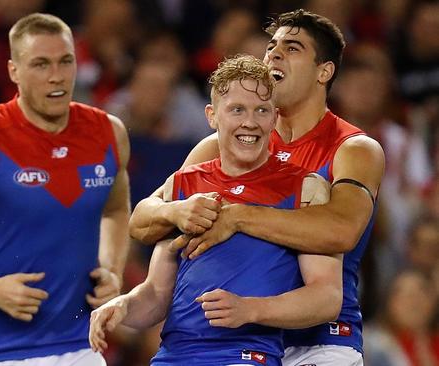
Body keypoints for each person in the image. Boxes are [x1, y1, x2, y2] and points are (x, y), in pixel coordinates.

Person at [129, 9, 385, 366]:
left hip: (319, 340)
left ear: (324, 72)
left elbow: (342, 231)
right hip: (236, 338)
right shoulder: (222, 144)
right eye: (272, 46)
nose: (274, 55)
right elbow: (144, 221)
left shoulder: (354, 149)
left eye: (292, 48)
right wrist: (176, 211)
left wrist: (238, 217)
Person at [90, 54, 342, 366]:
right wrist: (123, 307)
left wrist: (251, 309)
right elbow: (155, 295)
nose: (249, 122)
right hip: (170, 358)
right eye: (237, 109)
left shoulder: (304, 188)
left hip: (246, 356)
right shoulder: (184, 186)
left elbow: (326, 297)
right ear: (212, 115)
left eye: (261, 110)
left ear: (274, 117)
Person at [0, 13, 131, 366]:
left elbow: (116, 210)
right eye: (41, 64)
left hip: (83, 345)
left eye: (65, 61)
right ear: (13, 71)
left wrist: (113, 270)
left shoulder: (109, 133)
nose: (56, 76)